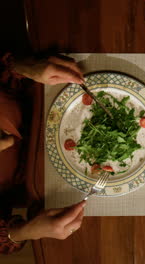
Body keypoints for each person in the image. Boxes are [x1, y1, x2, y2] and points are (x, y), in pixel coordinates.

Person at [0, 52, 86, 254]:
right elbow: (5, 241)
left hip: (45, 90)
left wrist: (23, 67)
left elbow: (5, 68)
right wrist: (26, 231)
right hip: (46, 175)